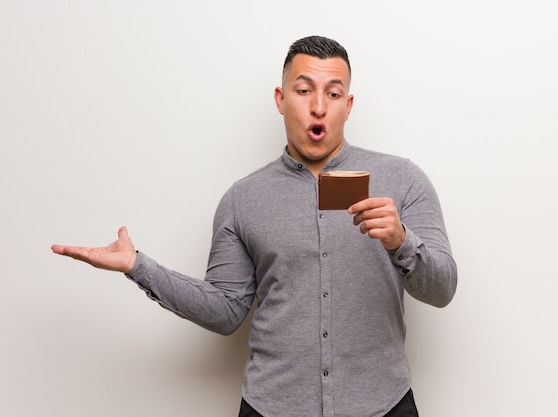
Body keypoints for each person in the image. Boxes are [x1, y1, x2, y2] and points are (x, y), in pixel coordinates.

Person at [52, 35, 457, 417]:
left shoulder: (403, 180)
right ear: (281, 100)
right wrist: (138, 266)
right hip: (271, 406)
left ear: (348, 105)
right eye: (304, 90)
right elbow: (225, 310)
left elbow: (443, 290)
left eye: (333, 94)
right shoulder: (242, 199)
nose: (319, 106)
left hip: (382, 405)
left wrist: (402, 240)